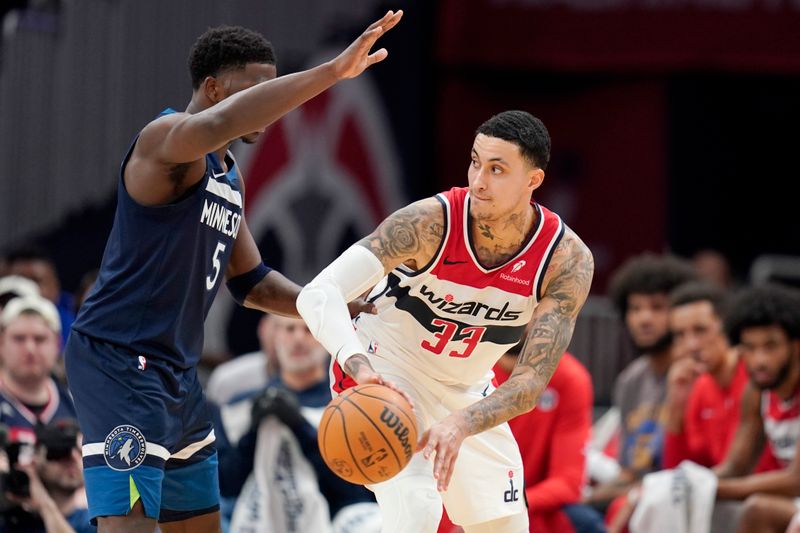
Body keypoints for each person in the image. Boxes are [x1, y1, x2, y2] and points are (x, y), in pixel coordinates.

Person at [62, 11, 402, 533]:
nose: (270, 105)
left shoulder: (228, 174)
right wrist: (331, 73)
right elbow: (220, 124)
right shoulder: (165, 140)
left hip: (177, 371)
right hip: (119, 363)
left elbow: (252, 283)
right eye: (256, 91)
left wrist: (327, 304)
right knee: (128, 527)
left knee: (199, 525)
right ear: (215, 88)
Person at [297, 110, 595, 532]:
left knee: (506, 526)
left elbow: (529, 383)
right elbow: (319, 292)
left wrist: (463, 423)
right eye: (475, 162)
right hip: (387, 373)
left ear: (533, 181)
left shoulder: (565, 260)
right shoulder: (429, 223)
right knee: (418, 511)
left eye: (497, 169)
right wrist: (358, 367)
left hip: (467, 392)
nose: (479, 180)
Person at [214, 315, 377, 531]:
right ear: (276, 337)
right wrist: (252, 433)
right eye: (289, 329)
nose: (298, 338)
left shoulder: (351, 406)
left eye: (309, 331)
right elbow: (227, 486)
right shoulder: (240, 406)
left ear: (326, 340)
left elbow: (359, 494)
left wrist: (301, 428)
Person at [584, 254, 697, 512]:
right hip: (634, 491)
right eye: (635, 309)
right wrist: (588, 498)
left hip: (677, 493)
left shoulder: (695, 376)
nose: (644, 319)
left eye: (657, 307)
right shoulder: (630, 381)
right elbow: (627, 472)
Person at [708, 284, 800, 533]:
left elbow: (796, 480)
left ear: (796, 346)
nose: (759, 360)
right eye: (750, 347)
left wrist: (709, 489)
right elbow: (735, 467)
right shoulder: (756, 393)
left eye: (770, 347)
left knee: (758, 510)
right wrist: (686, 482)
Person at [0, 295, 75, 444]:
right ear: (1, 342)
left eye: (39, 339)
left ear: (57, 344)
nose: (30, 349)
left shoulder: (75, 404)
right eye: (19, 338)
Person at [1, 418, 95, 533]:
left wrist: (45, 505)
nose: (74, 458)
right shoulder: (12, 521)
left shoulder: (95, 522)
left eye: (81, 452)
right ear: (35, 460)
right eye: (60, 453)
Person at [4, 246, 75, 347]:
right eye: (20, 280)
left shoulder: (74, 331)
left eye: (35, 281)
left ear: (55, 288)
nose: (27, 289)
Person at [205, 313, 276, 406]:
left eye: (302, 329)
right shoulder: (227, 379)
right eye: (289, 329)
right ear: (262, 328)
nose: (296, 339)